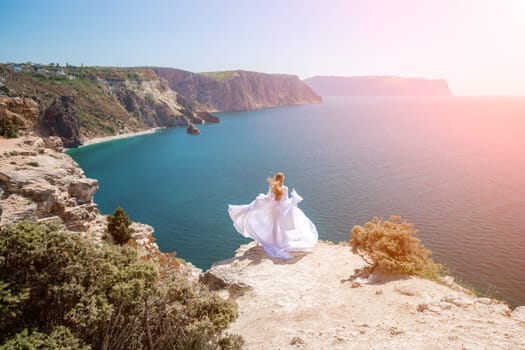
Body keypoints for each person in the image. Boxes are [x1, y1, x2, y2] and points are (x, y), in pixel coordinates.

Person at [228, 172, 318, 258]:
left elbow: (269, 198)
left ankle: (273, 242)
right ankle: (282, 243)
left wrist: (261, 198)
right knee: (281, 227)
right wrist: (293, 201)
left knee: (274, 227)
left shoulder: (272, 187)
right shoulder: (285, 188)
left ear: (275, 178)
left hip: (273, 209)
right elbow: (285, 200)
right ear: (282, 179)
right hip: (281, 209)